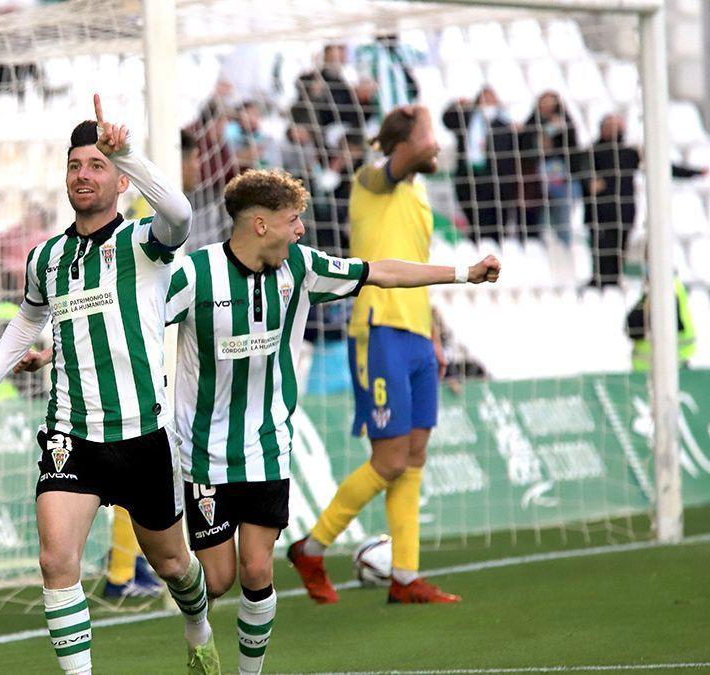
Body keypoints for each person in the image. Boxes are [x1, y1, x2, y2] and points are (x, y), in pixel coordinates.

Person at [163, 168, 499, 673]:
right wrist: (52, 353)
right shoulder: (194, 274)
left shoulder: (300, 268)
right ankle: (197, 627)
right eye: (292, 220)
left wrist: (462, 274)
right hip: (202, 452)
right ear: (259, 225)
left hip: (266, 446)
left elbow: (380, 271)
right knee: (215, 581)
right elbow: (131, 323)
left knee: (257, 571)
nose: (300, 230)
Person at [0, 95, 219, 674]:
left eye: (96, 165)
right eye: (75, 165)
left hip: (143, 434)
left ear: (119, 181)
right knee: (55, 560)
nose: (83, 175)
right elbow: (26, 320)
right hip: (72, 434)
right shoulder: (46, 257)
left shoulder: (144, 244)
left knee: (174, 567)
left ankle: (197, 624)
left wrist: (131, 154)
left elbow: (182, 214)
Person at [288, 105, 468, 604]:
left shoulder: (421, 192)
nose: (436, 145)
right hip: (378, 329)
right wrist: (416, 142)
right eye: (429, 136)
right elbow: (394, 166)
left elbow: (418, 264)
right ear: (403, 144)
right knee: (388, 459)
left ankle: (405, 578)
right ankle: (311, 546)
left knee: (414, 455)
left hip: (415, 333)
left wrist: (433, 334)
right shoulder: (370, 180)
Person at [577, 114, 706, 287]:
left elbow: (663, 166)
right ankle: (598, 283)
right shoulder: (591, 153)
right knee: (601, 250)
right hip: (598, 212)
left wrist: (695, 173)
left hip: (624, 210)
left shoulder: (631, 153)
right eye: (611, 126)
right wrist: (589, 182)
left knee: (619, 250)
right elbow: (579, 170)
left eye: (618, 125)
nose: (615, 130)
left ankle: (613, 284)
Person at [442, 86, 519, 242]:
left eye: (491, 98)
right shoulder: (467, 119)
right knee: (475, 221)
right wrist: (456, 105)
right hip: (469, 179)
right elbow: (447, 120)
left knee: (497, 223)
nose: (488, 102)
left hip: (497, 183)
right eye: (484, 98)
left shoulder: (504, 125)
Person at [520, 91, 580, 243]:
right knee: (539, 213)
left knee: (562, 214)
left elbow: (572, 148)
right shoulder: (531, 124)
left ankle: (564, 245)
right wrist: (550, 130)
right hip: (536, 176)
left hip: (561, 174)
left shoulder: (566, 123)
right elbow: (536, 145)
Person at [626, 279, 697, 371]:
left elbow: (634, 326)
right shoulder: (666, 286)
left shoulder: (664, 287)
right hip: (654, 366)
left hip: (666, 366)